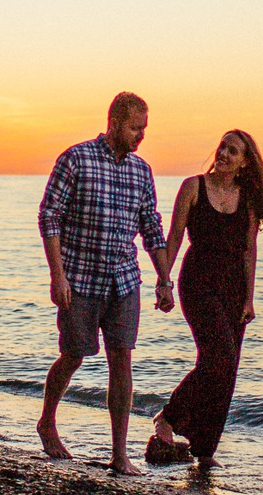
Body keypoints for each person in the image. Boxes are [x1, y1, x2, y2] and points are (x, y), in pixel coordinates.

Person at [37, 91, 175, 475]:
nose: (141, 136)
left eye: (145, 129)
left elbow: (151, 227)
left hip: (124, 280)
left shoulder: (141, 171)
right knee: (74, 355)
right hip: (80, 279)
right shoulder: (76, 159)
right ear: (115, 123)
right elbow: (49, 217)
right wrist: (57, 274)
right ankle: (47, 421)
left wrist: (165, 280)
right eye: (135, 128)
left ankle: (119, 454)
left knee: (122, 358)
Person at [146, 129, 263, 469]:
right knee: (220, 356)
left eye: (234, 150)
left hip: (234, 290)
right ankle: (167, 416)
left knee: (227, 369)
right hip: (197, 282)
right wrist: (163, 282)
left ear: (244, 163)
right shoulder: (193, 187)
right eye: (223, 147)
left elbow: (249, 250)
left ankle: (205, 450)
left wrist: (249, 298)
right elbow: (175, 235)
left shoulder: (248, 198)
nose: (224, 153)